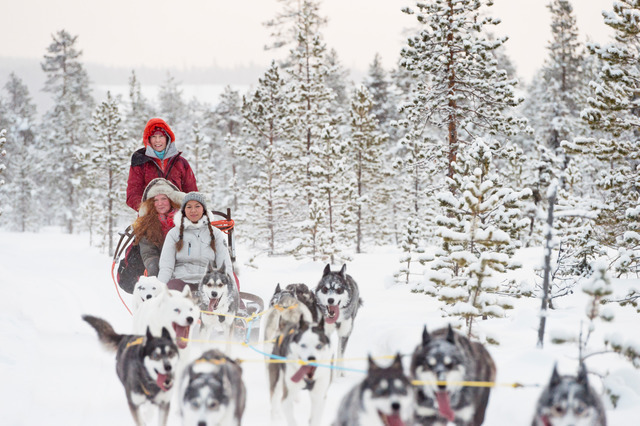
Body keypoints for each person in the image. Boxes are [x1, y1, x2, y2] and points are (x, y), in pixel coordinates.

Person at [157, 192, 234, 293]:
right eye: (189, 207)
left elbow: (225, 265)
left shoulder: (216, 234)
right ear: (184, 210)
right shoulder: (174, 234)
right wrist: (158, 291)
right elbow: (166, 267)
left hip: (207, 282)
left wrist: (233, 292)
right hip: (181, 281)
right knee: (171, 291)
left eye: (197, 206)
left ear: (204, 209)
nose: (193, 210)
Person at [126, 118, 198, 212]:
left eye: (161, 136)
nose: (157, 141)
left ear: (167, 138)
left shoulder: (180, 163)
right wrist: (148, 208)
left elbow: (192, 192)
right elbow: (132, 194)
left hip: (178, 215)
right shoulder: (140, 162)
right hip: (150, 216)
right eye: (153, 137)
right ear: (148, 139)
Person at [131, 178, 185, 277]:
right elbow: (148, 251)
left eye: (164, 199)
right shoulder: (146, 225)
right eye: (156, 200)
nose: (160, 203)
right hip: (161, 269)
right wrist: (153, 266)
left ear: (171, 200)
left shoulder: (185, 219)